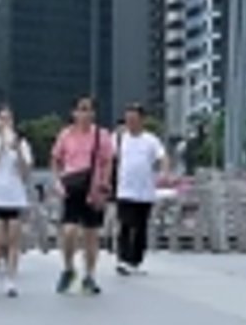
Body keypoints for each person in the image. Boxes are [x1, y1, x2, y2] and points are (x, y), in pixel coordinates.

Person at [52, 96, 111, 296]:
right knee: (68, 231)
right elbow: (56, 159)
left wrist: (104, 184)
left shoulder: (101, 135)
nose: (85, 114)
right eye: (81, 109)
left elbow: (108, 161)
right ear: (73, 113)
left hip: (93, 188)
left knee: (91, 235)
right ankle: (68, 268)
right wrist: (58, 180)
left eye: (88, 110)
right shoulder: (65, 135)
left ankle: (90, 275)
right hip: (72, 187)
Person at [0, 105, 37, 298]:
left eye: (8, 119)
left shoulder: (22, 144)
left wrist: (17, 148)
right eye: (1, 119)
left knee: (13, 240)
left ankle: (10, 279)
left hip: (15, 198)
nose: (5, 123)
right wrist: (0, 147)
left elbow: (25, 171)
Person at [110, 104, 170, 274]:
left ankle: (135, 260)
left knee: (141, 227)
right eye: (128, 119)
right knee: (125, 224)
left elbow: (163, 156)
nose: (130, 123)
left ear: (142, 120)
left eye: (134, 119)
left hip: (144, 191)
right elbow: (107, 158)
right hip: (124, 190)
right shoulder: (119, 138)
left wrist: (165, 173)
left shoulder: (151, 140)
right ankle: (123, 259)